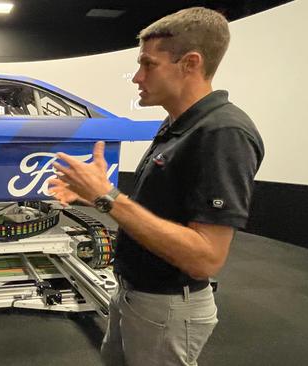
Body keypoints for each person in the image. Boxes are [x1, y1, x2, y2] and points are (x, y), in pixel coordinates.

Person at [49, 7, 264, 366]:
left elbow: (205, 258)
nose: (137, 77)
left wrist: (108, 198)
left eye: (148, 65)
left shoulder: (222, 132)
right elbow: (163, 213)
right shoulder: (177, 124)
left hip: (167, 308)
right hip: (134, 295)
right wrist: (95, 197)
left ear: (190, 63)